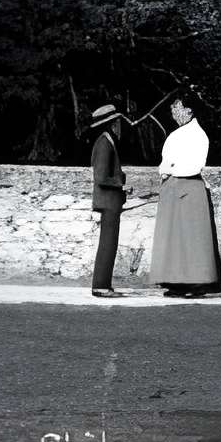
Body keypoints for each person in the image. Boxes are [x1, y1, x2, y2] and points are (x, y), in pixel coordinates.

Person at [148, 97, 221, 299]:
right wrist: (166, 170)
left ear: (189, 110)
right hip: (172, 186)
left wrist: (172, 170)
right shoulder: (175, 135)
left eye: (177, 108)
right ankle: (176, 281)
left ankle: (196, 282)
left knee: (191, 238)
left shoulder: (199, 136)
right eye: (173, 109)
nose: (174, 113)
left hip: (188, 186)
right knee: (173, 238)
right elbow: (165, 162)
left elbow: (195, 164)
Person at [88, 103, 126, 299]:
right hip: (108, 201)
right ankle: (101, 286)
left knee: (109, 243)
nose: (120, 125)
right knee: (107, 244)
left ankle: (104, 285)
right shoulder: (104, 143)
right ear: (111, 124)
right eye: (117, 122)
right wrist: (121, 183)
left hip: (111, 201)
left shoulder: (106, 141)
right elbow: (101, 178)